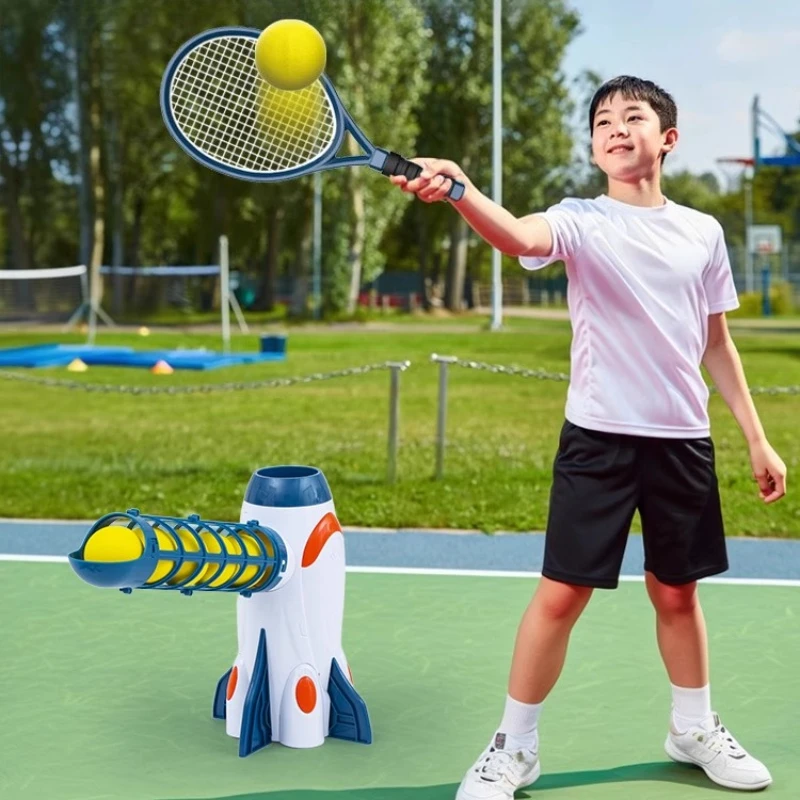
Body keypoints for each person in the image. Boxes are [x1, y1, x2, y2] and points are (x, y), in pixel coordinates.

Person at [390, 75, 787, 798]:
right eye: (603, 119)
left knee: (677, 594)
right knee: (561, 595)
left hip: (682, 442)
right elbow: (516, 235)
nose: (615, 127)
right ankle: (514, 746)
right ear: (595, 146)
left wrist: (756, 439)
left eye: (632, 117)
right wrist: (460, 191)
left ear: (666, 138)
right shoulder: (577, 218)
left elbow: (717, 345)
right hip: (597, 442)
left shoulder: (703, 232)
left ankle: (692, 726)